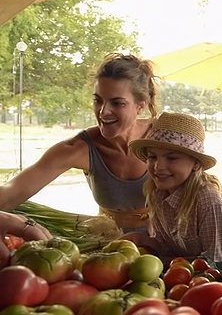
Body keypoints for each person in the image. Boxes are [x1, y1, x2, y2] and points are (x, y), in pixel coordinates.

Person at [0, 53, 159, 233]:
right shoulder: (80, 149)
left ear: (140, 106)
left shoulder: (163, 137)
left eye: (117, 103)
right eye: (98, 100)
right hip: (113, 250)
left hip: (171, 248)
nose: (103, 112)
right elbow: (9, 193)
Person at [124, 112, 222, 262]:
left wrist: (167, 263)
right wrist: (142, 240)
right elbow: (168, 246)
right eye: (152, 157)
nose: (158, 166)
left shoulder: (210, 203)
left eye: (172, 158)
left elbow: (218, 264)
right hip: (192, 275)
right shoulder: (157, 194)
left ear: (196, 164)